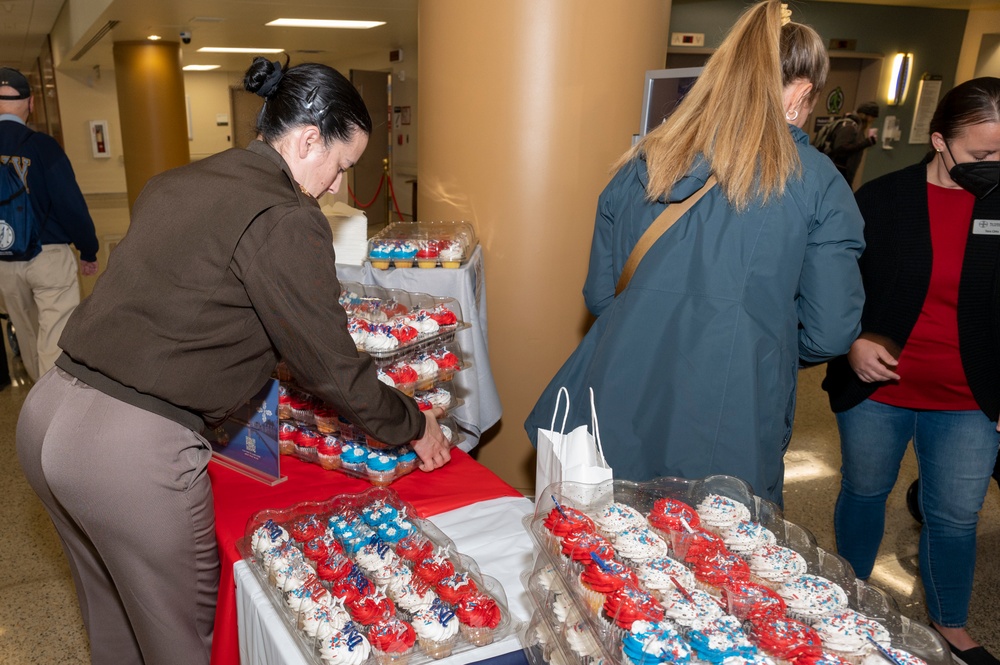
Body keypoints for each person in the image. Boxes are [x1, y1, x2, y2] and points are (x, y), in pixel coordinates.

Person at [16, 58, 451, 664]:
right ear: (306, 141)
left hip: (47, 414)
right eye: (341, 166)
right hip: (128, 450)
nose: (335, 186)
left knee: (113, 620)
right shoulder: (286, 216)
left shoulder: (178, 181)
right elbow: (331, 366)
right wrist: (412, 422)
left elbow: (197, 304)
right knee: (181, 643)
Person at [523, 0, 865, 506]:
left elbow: (601, 295)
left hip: (619, 396)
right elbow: (831, 328)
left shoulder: (645, 160)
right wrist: (758, 340)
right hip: (731, 416)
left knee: (601, 559)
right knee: (708, 566)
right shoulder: (818, 183)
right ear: (802, 93)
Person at [823, 77, 1000, 665]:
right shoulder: (882, 198)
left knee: (955, 516)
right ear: (940, 142)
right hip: (881, 390)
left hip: (970, 395)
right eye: (982, 155)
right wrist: (851, 340)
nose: (995, 165)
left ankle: (950, 623)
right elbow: (837, 286)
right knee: (865, 493)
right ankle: (847, 603)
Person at [0, 67, 99, 382]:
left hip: (4, 261)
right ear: (30, 105)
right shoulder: (42, 146)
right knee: (55, 338)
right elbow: (69, 203)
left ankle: (35, 406)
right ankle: (52, 412)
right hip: (49, 256)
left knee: (27, 335)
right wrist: (88, 249)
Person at [826, 100, 880, 184]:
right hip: (838, 171)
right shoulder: (850, 126)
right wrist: (866, 143)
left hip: (844, 172)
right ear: (865, 115)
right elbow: (840, 148)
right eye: (872, 117)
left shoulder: (858, 127)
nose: (872, 120)